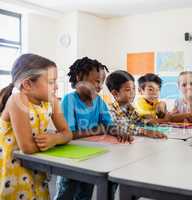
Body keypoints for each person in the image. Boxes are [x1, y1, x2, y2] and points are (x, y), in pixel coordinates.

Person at [55, 57, 132, 200]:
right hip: (71, 158)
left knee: (85, 192)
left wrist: (118, 131)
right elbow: (69, 134)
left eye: (102, 82)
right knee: (67, 192)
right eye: (97, 81)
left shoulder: (99, 101)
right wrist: (97, 130)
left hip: (92, 155)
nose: (100, 86)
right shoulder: (69, 100)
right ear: (79, 78)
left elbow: (108, 125)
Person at [0, 53, 72, 199]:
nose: (57, 86)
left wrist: (55, 139)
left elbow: (67, 133)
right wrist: (56, 139)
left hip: (37, 167)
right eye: (51, 82)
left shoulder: (52, 102)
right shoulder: (17, 100)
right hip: (14, 170)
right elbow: (26, 147)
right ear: (27, 84)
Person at [106, 70, 167, 139]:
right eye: (128, 90)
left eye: (133, 89)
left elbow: (138, 121)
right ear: (115, 93)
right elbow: (123, 126)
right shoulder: (111, 109)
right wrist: (145, 131)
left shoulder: (130, 108)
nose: (133, 93)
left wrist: (149, 124)